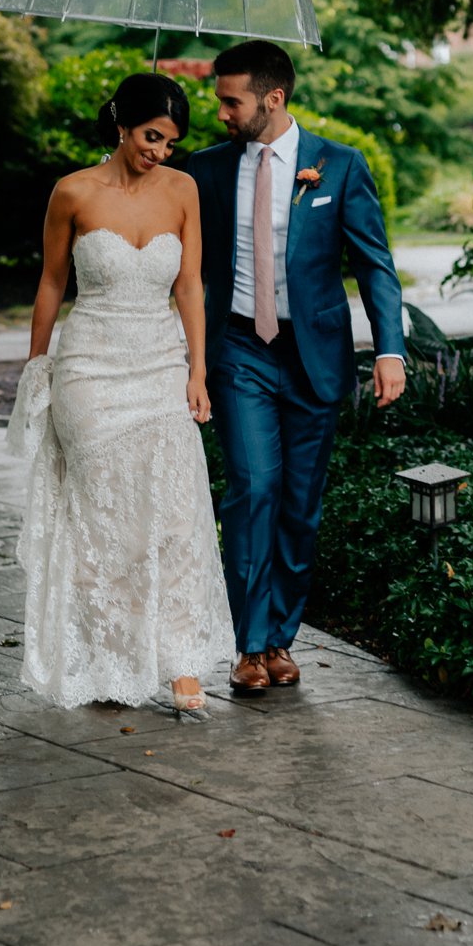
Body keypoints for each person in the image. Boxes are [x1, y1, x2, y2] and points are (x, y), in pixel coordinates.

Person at [181, 40, 406, 695]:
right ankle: (249, 645)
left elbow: (375, 265)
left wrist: (389, 347)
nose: (220, 111)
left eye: (231, 100)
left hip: (314, 357)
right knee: (253, 488)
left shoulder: (340, 166)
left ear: (272, 99)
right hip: (240, 349)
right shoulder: (206, 169)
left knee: (301, 505)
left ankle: (281, 634)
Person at [6, 72, 235, 714]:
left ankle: (181, 661)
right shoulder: (72, 192)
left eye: (170, 142)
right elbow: (52, 282)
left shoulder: (183, 190)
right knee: (102, 518)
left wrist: (197, 369)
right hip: (90, 370)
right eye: (151, 136)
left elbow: (190, 285)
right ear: (122, 123)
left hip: (161, 362)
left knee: (176, 511)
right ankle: (110, 657)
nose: (159, 151)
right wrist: (37, 364)